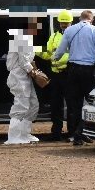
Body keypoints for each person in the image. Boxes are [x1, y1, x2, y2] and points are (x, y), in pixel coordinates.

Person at [52, 10, 95, 146]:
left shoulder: (69, 30)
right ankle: (81, 132)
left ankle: (78, 135)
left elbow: (60, 50)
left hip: (73, 70)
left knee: (75, 104)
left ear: (80, 18)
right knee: (91, 103)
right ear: (91, 19)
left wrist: (55, 59)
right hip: (89, 71)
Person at [4, 18, 41, 145]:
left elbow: (29, 60)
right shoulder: (22, 38)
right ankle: (13, 136)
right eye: (35, 26)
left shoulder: (27, 39)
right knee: (21, 105)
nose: (37, 29)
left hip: (25, 77)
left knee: (33, 104)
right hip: (18, 77)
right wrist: (35, 73)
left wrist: (34, 70)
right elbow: (24, 62)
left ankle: (24, 133)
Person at [36, 10, 72, 141]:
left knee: (71, 104)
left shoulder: (74, 36)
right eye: (62, 23)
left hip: (68, 73)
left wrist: (59, 58)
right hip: (56, 75)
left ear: (70, 22)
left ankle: (72, 133)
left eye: (66, 23)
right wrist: (35, 50)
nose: (63, 25)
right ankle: (56, 133)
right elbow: (47, 54)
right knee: (56, 105)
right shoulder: (54, 36)